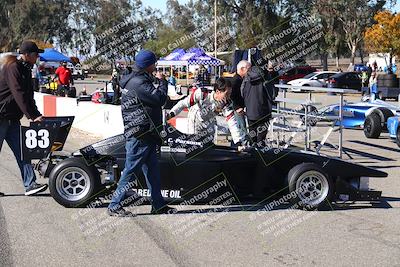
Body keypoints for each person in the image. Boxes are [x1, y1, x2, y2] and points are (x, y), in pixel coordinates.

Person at [108, 49, 176, 217]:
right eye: (154, 63)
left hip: (146, 133)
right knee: (131, 171)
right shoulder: (138, 83)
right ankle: (114, 205)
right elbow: (159, 99)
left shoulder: (134, 78)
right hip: (140, 134)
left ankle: (158, 205)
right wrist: (162, 82)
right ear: (148, 64)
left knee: (152, 173)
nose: (156, 66)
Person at [0, 40, 48, 196]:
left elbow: (29, 96)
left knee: (23, 152)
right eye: (35, 54)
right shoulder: (12, 67)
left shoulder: (26, 69)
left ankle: (30, 185)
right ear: (26, 55)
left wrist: (36, 114)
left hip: (12, 119)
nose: (37, 57)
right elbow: (18, 93)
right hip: (1, 117)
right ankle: (30, 183)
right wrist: (31, 116)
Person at [168, 77, 247, 145]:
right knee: (194, 145)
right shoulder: (202, 93)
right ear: (217, 92)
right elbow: (183, 104)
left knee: (209, 146)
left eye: (230, 94)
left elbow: (232, 122)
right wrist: (172, 113)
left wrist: (238, 141)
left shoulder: (228, 103)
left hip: (210, 122)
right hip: (195, 122)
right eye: (227, 94)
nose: (229, 97)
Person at [241, 66, 275, 146]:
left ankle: (251, 153)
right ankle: (260, 154)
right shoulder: (266, 79)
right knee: (261, 139)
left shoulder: (247, 78)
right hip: (264, 112)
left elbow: (242, 92)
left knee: (252, 137)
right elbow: (272, 94)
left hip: (250, 112)